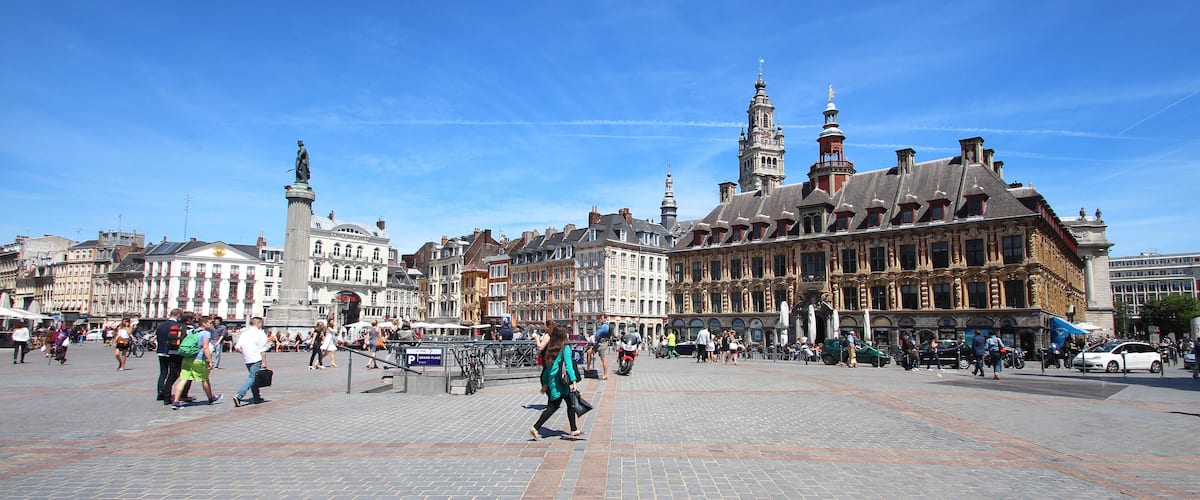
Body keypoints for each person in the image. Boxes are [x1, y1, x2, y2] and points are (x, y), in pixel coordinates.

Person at [529, 323, 581, 440]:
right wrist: (574, 382)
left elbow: (548, 367)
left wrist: (546, 384)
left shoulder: (551, 348)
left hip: (553, 379)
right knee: (554, 406)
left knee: (569, 403)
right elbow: (568, 366)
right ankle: (536, 427)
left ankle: (573, 429)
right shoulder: (565, 348)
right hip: (560, 382)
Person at [170, 315, 222, 409]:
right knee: (205, 379)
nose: (211, 325)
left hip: (187, 358)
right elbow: (205, 348)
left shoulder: (191, 331)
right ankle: (211, 398)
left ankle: (176, 401)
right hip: (198, 359)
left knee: (183, 379)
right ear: (204, 323)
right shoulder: (205, 333)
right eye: (209, 323)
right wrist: (210, 361)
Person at [232, 317, 269, 407]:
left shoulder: (244, 333)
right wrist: (264, 362)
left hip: (247, 359)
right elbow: (263, 349)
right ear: (259, 323)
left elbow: (237, 348)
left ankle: (256, 396)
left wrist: (245, 353)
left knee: (254, 377)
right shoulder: (260, 334)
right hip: (256, 358)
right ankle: (239, 395)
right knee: (252, 378)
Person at [156, 309, 189, 404]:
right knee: (173, 374)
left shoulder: (160, 325)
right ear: (178, 315)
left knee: (163, 373)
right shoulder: (176, 326)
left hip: (161, 351)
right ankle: (168, 393)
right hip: (172, 351)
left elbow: (158, 336)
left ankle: (160, 393)